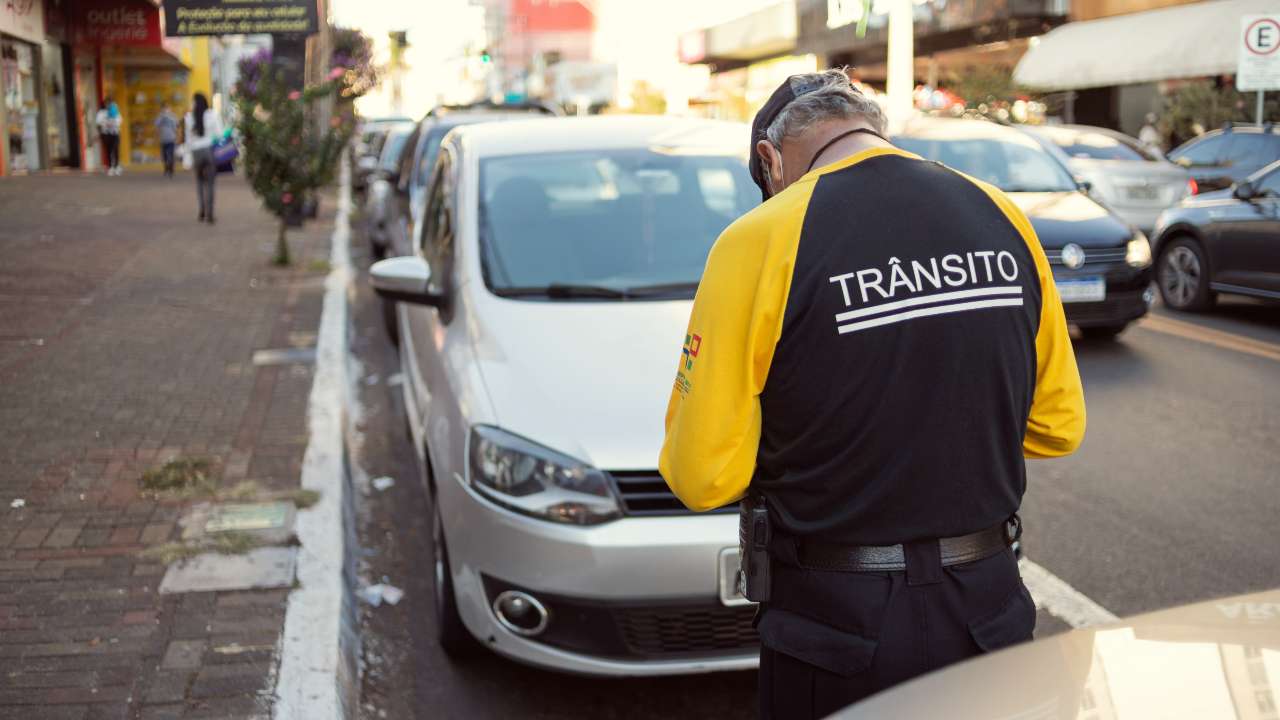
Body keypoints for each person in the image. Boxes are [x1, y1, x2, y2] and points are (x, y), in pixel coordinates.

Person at [659, 70, 1085, 719]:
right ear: (872, 129)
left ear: (771, 161)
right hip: (988, 609)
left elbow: (703, 476)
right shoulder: (999, 213)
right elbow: (1058, 426)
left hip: (837, 629)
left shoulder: (760, 239)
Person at [184, 93, 223, 223]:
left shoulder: (189, 117)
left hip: (196, 152)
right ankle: (210, 214)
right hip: (209, 151)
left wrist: (187, 157)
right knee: (210, 184)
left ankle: (201, 210)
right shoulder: (212, 115)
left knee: (200, 183)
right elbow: (219, 134)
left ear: (195, 103)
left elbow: (188, 140)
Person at [94, 97, 122, 176]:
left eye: (110, 103)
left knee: (115, 149)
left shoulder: (116, 111)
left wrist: (112, 120)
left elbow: (119, 121)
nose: (108, 105)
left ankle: (116, 166)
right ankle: (110, 167)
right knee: (108, 150)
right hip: (106, 134)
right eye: (107, 103)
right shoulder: (101, 113)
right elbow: (98, 123)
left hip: (115, 133)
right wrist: (100, 131)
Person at [154, 104, 179, 178]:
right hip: (163, 139)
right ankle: (166, 168)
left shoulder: (173, 116)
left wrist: (177, 136)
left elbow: (176, 126)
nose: (166, 111)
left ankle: (171, 169)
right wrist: (162, 116)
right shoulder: (160, 117)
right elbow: (156, 124)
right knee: (164, 156)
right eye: (164, 109)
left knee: (171, 155)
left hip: (171, 139)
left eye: (167, 109)